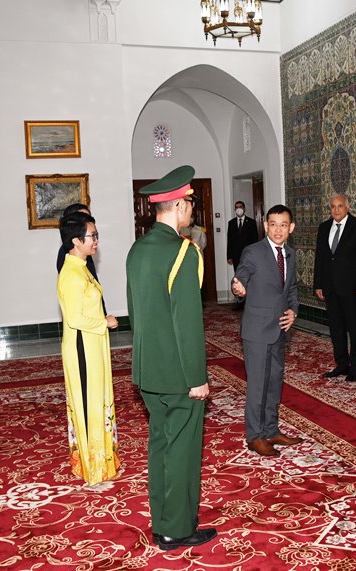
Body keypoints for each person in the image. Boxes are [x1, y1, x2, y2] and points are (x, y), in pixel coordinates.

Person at [125, 165, 217, 551]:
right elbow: (187, 322)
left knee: (160, 446)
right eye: (190, 204)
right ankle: (176, 530)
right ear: (178, 205)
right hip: (179, 373)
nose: (192, 210)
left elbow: (136, 314)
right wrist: (197, 378)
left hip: (148, 370)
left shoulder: (137, 249)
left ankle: (162, 521)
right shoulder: (183, 251)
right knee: (182, 451)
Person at [231, 205, 302, 457]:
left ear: (291, 228)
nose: (278, 230)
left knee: (274, 382)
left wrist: (293, 311)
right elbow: (242, 273)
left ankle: (271, 430)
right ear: (265, 226)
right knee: (258, 385)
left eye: (283, 225)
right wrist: (238, 285)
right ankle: (255, 436)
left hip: (280, 329)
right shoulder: (253, 251)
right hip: (257, 331)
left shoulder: (290, 254)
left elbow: (291, 288)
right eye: (273, 224)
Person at [56, 211, 120, 485]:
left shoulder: (82, 266)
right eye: (92, 236)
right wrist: (104, 322)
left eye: (96, 235)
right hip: (82, 347)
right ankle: (93, 471)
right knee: (87, 407)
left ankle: (102, 462)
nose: (96, 241)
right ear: (75, 240)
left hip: (93, 344)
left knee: (97, 402)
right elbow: (75, 319)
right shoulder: (71, 274)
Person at [313, 195, 356, 382]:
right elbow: (320, 257)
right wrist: (318, 284)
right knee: (336, 328)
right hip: (330, 288)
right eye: (333, 207)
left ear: (347, 207)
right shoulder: (324, 228)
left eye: (339, 206)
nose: (336, 210)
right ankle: (342, 363)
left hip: (352, 288)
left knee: (354, 328)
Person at [227, 200, 258, 309]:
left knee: (249, 278)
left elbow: (255, 240)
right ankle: (239, 302)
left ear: (244, 209)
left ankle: (249, 301)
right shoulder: (231, 223)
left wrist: (255, 255)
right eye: (236, 207)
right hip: (236, 256)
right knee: (238, 278)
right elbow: (229, 241)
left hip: (248, 256)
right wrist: (229, 256)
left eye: (240, 206)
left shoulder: (251, 222)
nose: (238, 209)